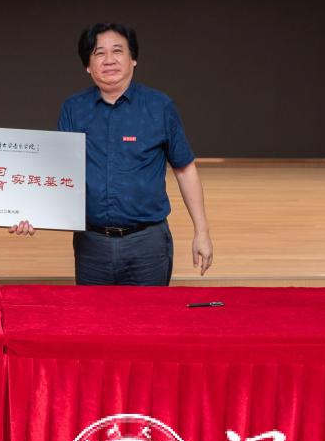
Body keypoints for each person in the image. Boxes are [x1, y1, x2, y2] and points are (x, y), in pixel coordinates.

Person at [12, 23, 213, 286]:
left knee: (149, 312)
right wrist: (29, 212)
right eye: (99, 53)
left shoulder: (159, 107)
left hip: (148, 244)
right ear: (88, 65)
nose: (109, 60)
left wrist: (202, 231)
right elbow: (58, 172)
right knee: (93, 313)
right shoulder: (74, 109)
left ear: (133, 59)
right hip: (91, 244)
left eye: (117, 51)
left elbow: (185, 169)